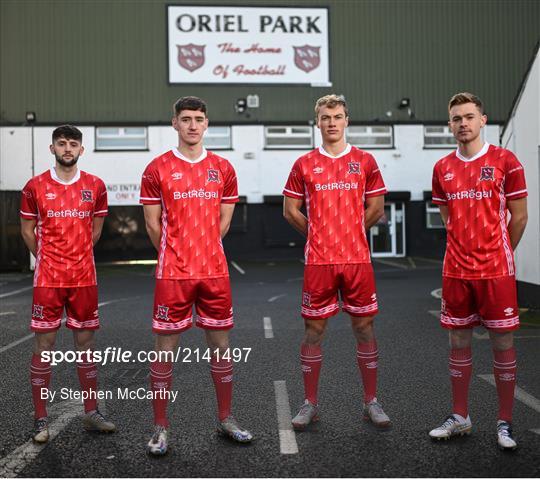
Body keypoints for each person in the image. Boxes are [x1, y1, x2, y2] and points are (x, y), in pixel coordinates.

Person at [140, 96, 252, 456]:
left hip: (214, 273)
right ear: (174, 123)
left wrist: (202, 251)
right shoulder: (156, 168)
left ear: (207, 124)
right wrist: (178, 254)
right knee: (164, 350)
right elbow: (153, 225)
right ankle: (160, 428)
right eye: (185, 118)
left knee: (220, 347)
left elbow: (224, 222)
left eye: (198, 119)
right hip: (172, 274)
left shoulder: (223, 167)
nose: (192, 125)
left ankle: (226, 419)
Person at [282, 94, 391, 430]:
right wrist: (317, 233)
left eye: (338, 116)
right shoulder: (303, 164)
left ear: (347, 120)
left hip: (357, 260)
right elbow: (290, 210)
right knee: (314, 330)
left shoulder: (365, 161)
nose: (332, 122)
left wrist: (351, 233)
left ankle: (371, 402)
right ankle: (309, 404)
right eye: (326, 117)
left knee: (364, 328)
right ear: (317, 122)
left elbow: (377, 208)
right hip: (319, 262)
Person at [429, 92, 528, 450]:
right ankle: (460, 417)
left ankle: (505, 423)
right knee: (458, 341)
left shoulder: (506, 161)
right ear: (450, 124)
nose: (463, 124)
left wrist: (498, 252)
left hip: (496, 271)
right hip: (455, 271)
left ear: (483, 120)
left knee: (502, 342)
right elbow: (447, 218)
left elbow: (519, 217)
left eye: (469, 116)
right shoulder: (442, 168)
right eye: (456, 118)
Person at [20, 125, 116, 443]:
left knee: (85, 346)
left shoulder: (95, 186)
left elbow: (96, 232)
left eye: (73, 144)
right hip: (48, 280)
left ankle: (91, 412)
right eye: (61, 143)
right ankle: (40, 418)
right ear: (52, 149)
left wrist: (75, 259)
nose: (67, 148)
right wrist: (48, 258)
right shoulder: (34, 187)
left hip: (84, 278)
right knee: (44, 347)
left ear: (81, 150)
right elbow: (26, 230)